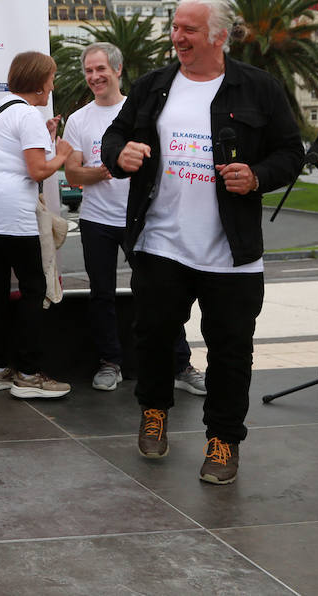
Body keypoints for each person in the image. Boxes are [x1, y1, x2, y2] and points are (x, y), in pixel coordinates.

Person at [102, 0, 302, 486]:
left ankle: (223, 441)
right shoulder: (152, 87)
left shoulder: (258, 89)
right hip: (161, 243)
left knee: (231, 350)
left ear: (218, 36)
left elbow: (291, 152)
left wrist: (256, 175)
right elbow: (113, 138)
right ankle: (154, 411)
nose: (178, 36)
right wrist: (118, 156)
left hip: (230, 254)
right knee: (152, 338)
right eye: (175, 27)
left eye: (189, 29)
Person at [62, 43, 204, 395]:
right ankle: (110, 363)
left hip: (141, 219)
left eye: (101, 69)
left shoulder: (142, 111)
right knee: (102, 295)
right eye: (89, 71)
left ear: (118, 69)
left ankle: (180, 364)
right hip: (97, 221)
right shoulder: (79, 119)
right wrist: (107, 169)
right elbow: (74, 175)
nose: (95, 77)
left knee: (162, 294)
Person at [0, 51, 73, 399]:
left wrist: (43, 137)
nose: (52, 85)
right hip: (12, 210)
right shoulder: (27, 114)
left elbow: (8, 151)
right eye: (51, 79)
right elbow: (37, 170)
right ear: (40, 82)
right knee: (32, 287)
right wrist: (62, 153)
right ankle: (28, 374)